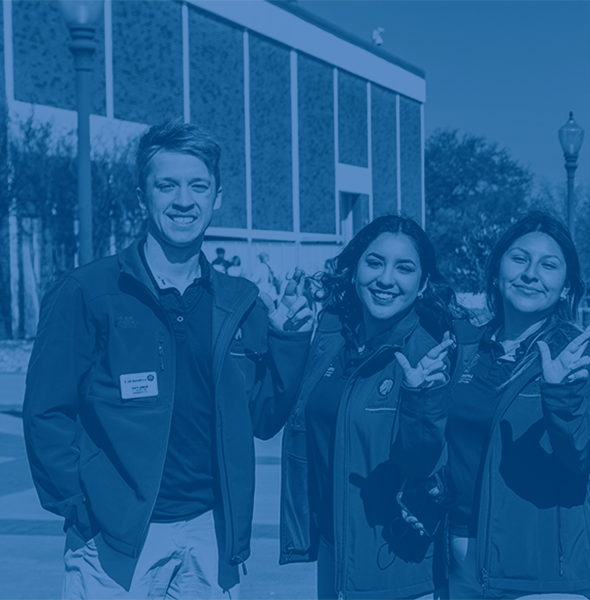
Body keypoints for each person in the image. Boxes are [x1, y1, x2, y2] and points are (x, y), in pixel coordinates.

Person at [25, 122, 311, 598]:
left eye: (198, 185)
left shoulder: (240, 302)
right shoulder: (89, 292)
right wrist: (81, 507)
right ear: (143, 196)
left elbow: (262, 417)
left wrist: (288, 339)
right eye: (167, 185)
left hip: (212, 533)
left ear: (217, 197)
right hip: (117, 536)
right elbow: (46, 412)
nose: (184, 200)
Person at [393, 212, 590, 600]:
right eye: (519, 259)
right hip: (460, 561)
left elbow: (584, 459)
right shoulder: (464, 350)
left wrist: (559, 395)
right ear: (496, 272)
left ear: (566, 288)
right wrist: (419, 400)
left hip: (542, 570)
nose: (531, 273)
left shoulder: (581, 358)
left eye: (549, 265)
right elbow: (431, 458)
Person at [272, 215, 459, 600]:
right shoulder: (331, 337)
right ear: (355, 268)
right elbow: (279, 414)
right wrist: (288, 338)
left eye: (404, 268)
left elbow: (423, 463)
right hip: (333, 549)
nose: (386, 279)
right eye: (375, 262)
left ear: (423, 284)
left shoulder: (426, 355)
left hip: (394, 565)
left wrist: (422, 397)